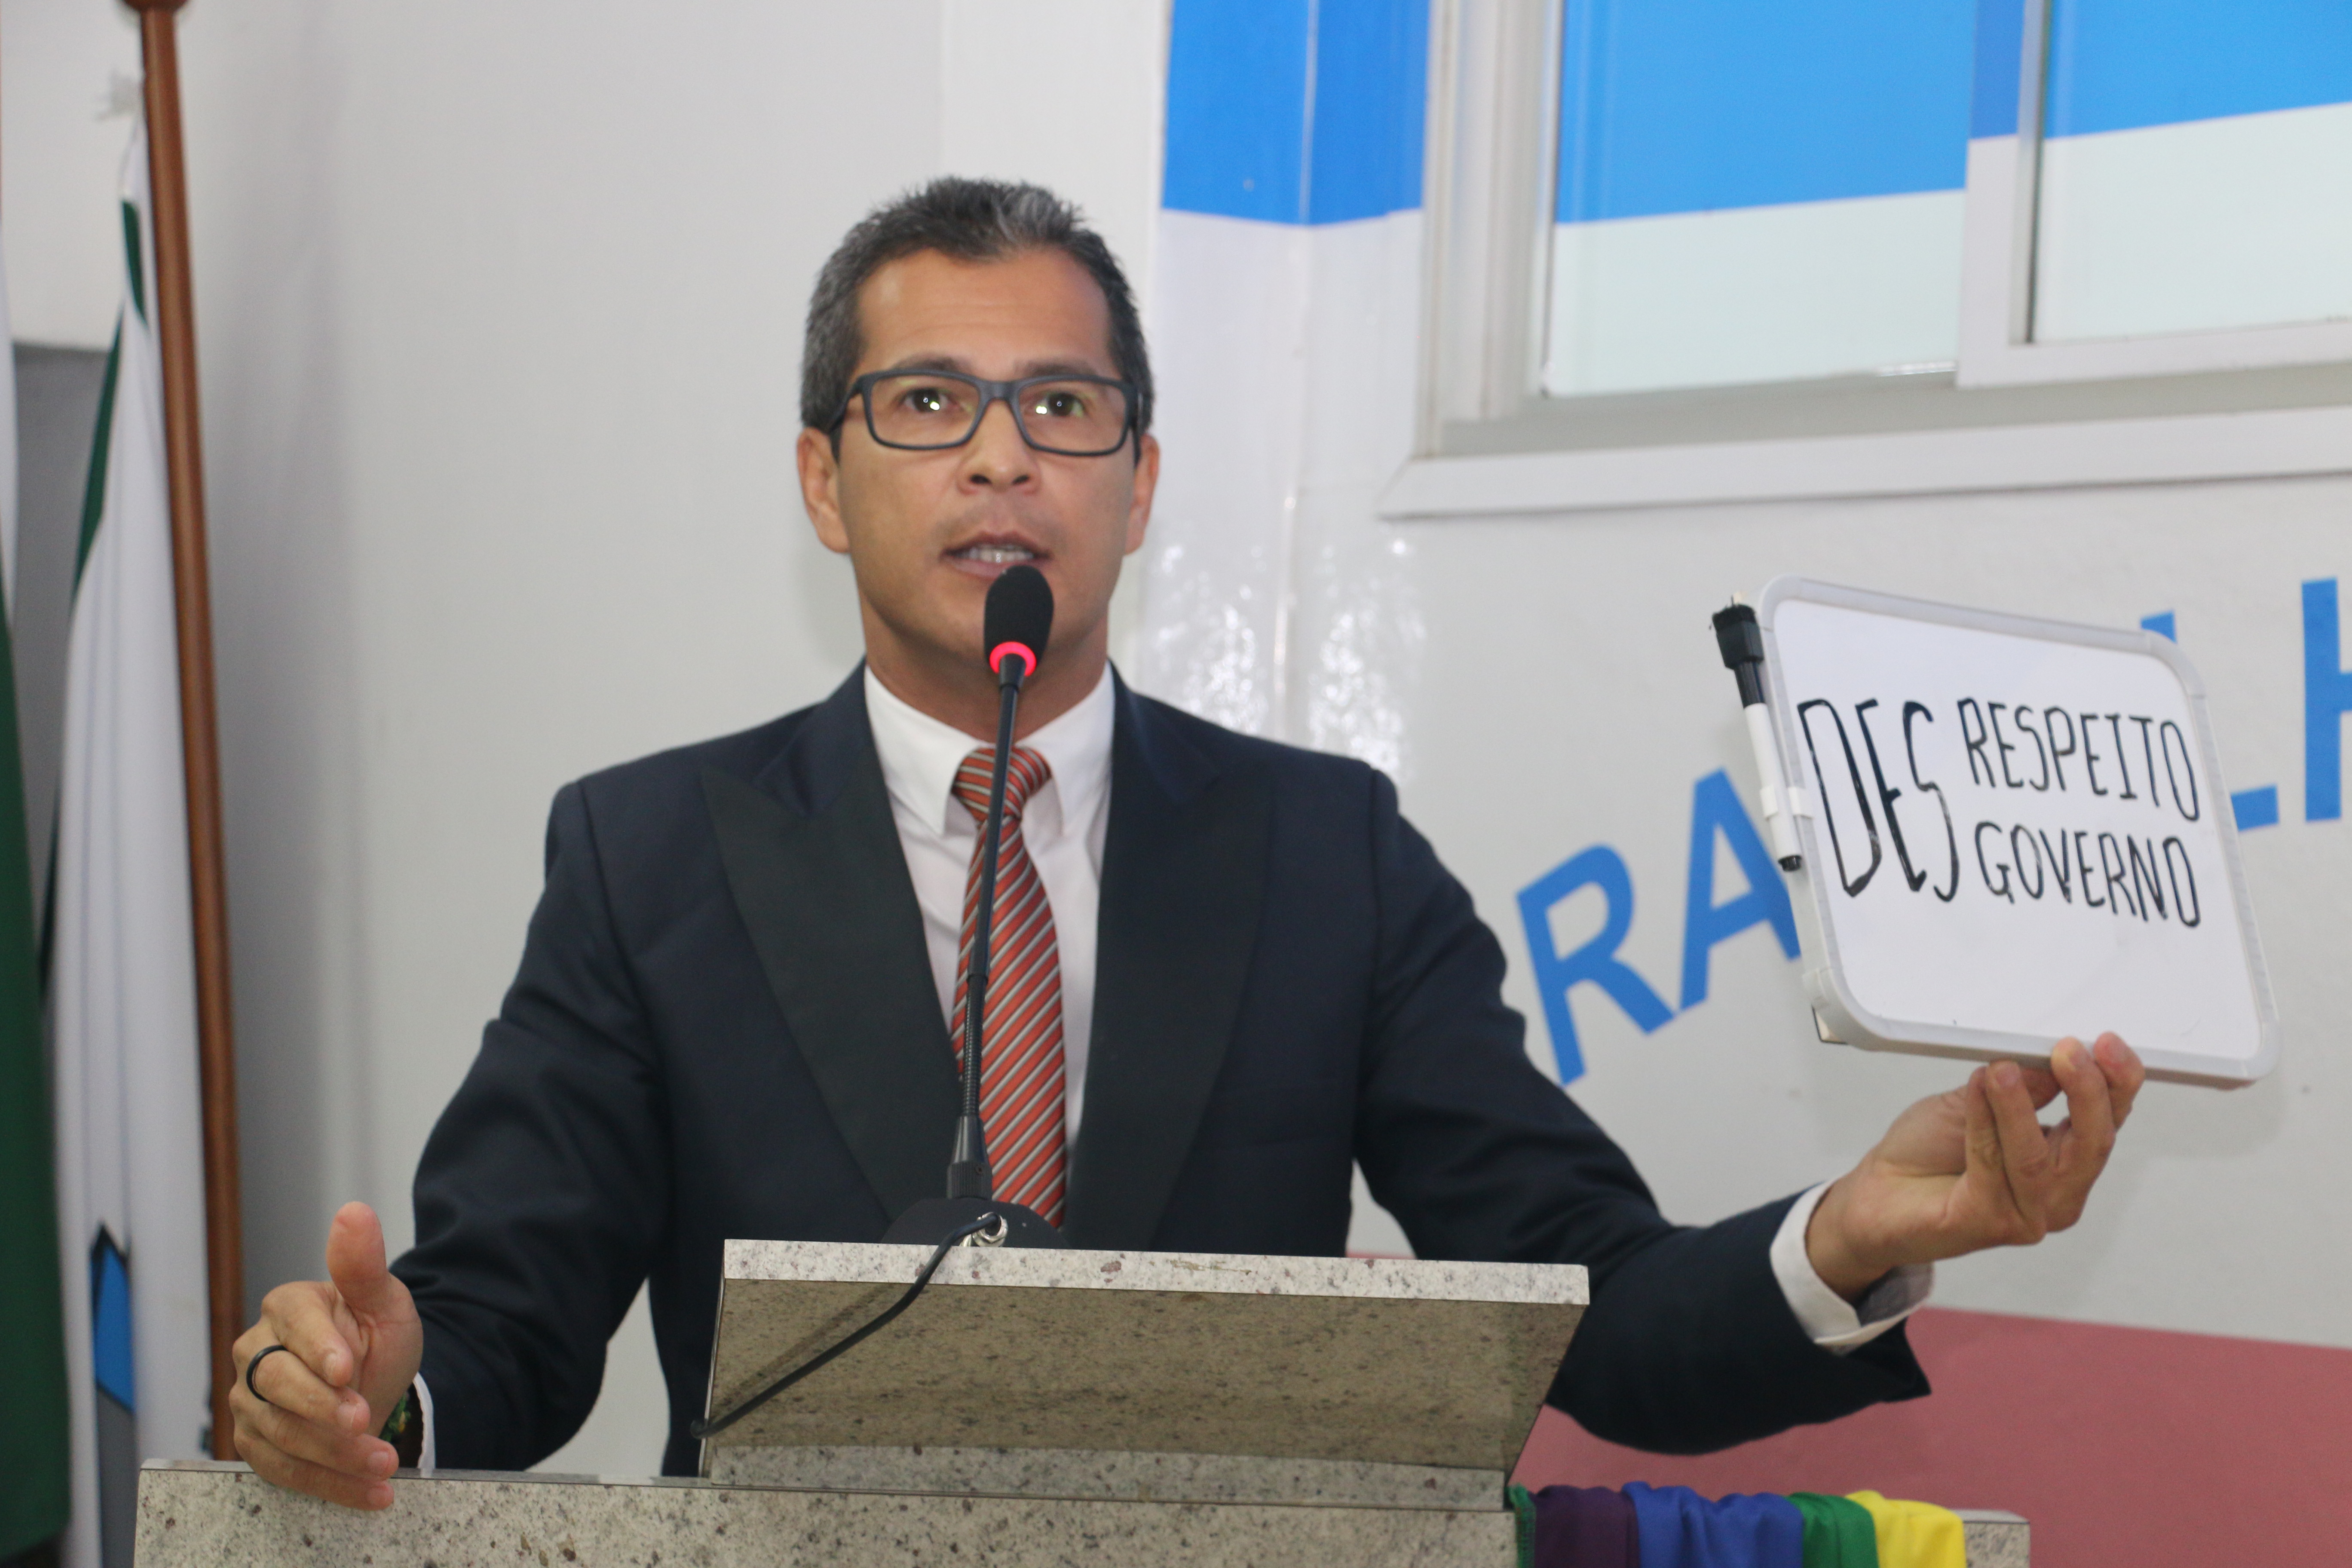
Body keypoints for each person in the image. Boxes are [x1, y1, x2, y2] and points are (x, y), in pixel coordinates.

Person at [229, 179, 2145, 1510]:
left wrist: (1843, 1240)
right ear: (825, 479)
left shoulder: (1328, 856)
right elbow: (509, 1322)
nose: (1001, 457)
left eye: (1062, 408)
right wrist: (376, 1384)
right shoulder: (650, 856)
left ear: (1138, 484)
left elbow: (1587, 1306)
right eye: (928, 404)